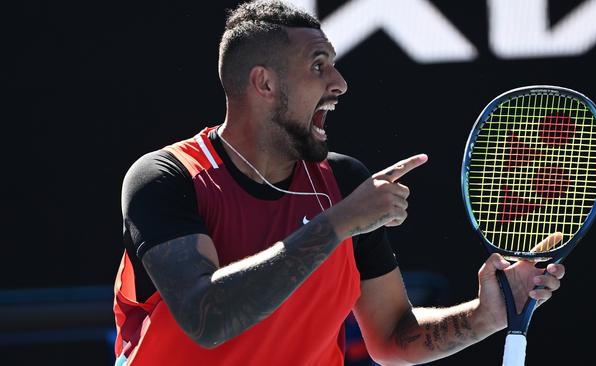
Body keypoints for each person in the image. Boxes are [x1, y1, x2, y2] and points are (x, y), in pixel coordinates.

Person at [113, 1, 566, 365]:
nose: (340, 83)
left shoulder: (344, 181)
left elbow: (391, 337)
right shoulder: (166, 177)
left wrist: (483, 317)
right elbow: (206, 319)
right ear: (264, 82)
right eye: (318, 66)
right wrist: (341, 221)